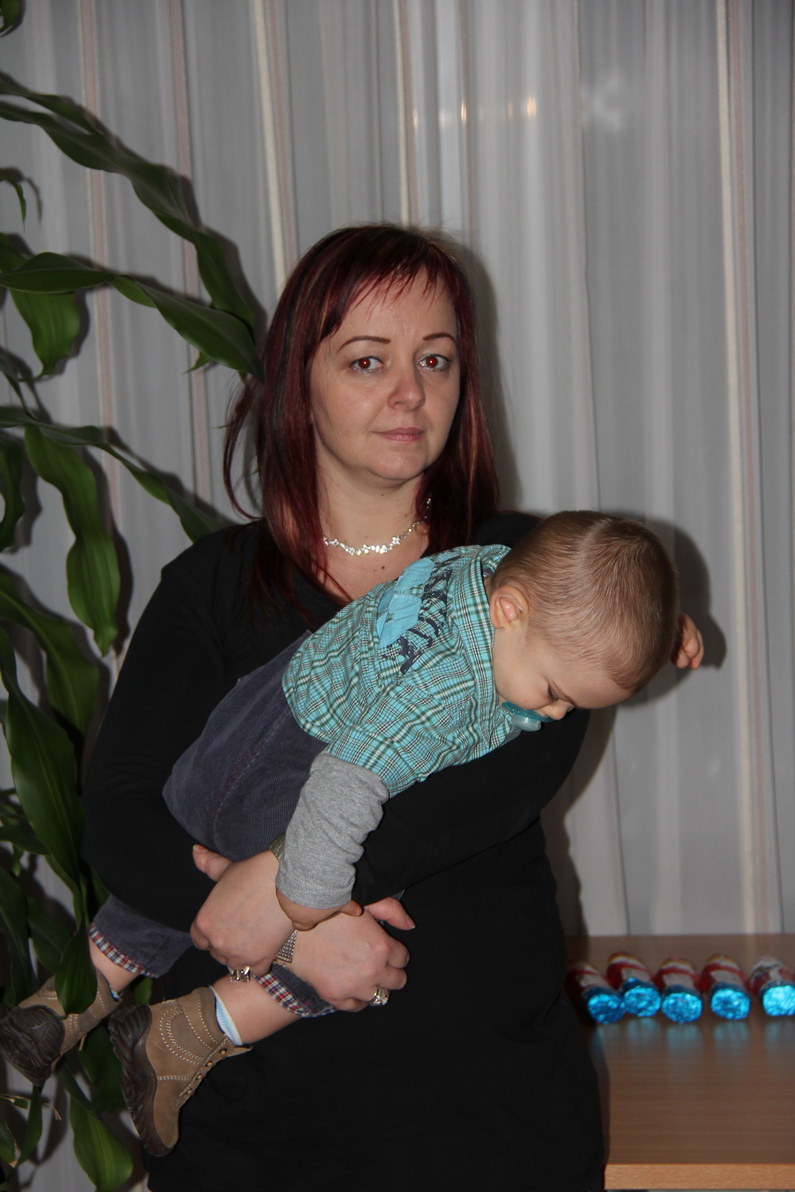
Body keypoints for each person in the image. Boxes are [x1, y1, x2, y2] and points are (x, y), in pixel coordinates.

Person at [59, 224, 699, 1191]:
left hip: (490, 1119)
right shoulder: (211, 587)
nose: (410, 392)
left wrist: (287, 894)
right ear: (298, 383)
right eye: (368, 360)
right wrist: (269, 923)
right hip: (254, 1135)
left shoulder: (538, 574)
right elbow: (117, 815)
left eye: (434, 360)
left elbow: (482, 795)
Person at [0, 511, 689, 1157]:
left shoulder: (500, 574)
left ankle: (68, 999)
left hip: (260, 718)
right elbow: (345, 780)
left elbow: (585, 595)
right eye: (554, 692)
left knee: (199, 832)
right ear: (509, 611)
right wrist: (306, 908)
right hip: (302, 764)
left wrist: (658, 630)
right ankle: (192, 1031)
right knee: (353, 929)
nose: (557, 713)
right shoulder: (439, 693)